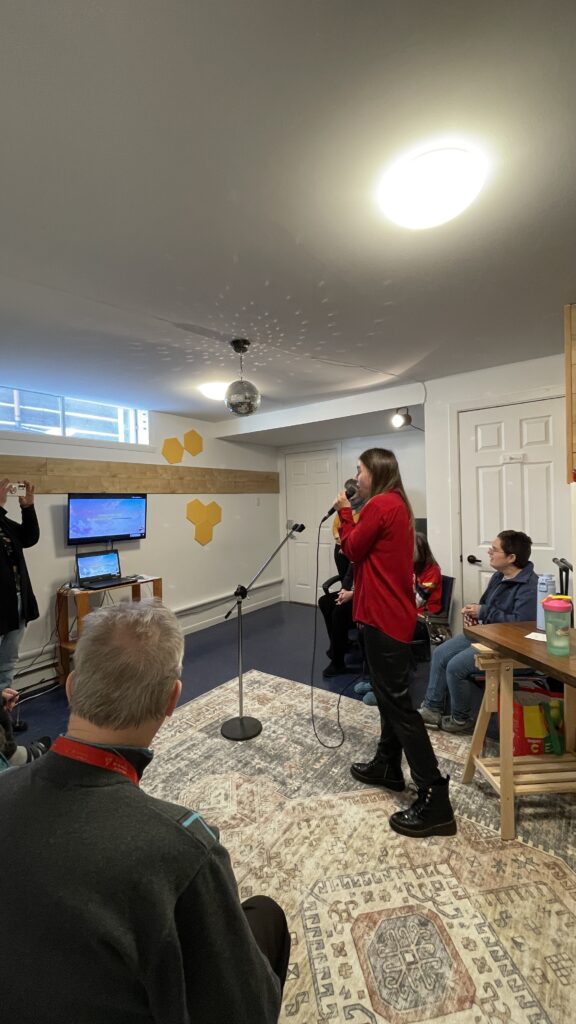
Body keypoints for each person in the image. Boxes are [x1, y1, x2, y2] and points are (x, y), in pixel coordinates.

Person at [0, 599, 290, 1024]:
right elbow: (248, 1011)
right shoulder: (184, 850)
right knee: (266, 914)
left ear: (71, 686)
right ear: (172, 699)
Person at [334, 448, 456, 839]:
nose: (356, 476)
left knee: (400, 707)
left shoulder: (380, 504)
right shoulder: (396, 504)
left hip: (384, 620)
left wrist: (345, 512)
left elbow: (352, 549)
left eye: (360, 470)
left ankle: (435, 798)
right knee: (389, 699)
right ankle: (387, 764)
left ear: (375, 471)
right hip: (384, 616)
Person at [418, 530, 538, 733]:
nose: (489, 552)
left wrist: (483, 612)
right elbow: (487, 606)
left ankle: (461, 719)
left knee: (456, 666)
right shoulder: (499, 576)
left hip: (509, 646)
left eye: (495, 549)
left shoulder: (530, 587)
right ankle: (432, 708)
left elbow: (520, 626)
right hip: (487, 634)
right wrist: (476, 613)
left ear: (511, 557)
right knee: (440, 653)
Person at [0, 477, 50, 763]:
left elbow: (29, 538)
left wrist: (28, 507)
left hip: (16, 605)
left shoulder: (4, 524)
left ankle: (4, 727)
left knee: (7, 665)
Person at [318, 561, 356, 677]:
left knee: (339, 612)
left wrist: (352, 594)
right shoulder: (355, 556)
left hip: (365, 596)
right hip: (351, 593)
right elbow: (349, 575)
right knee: (324, 602)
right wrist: (343, 590)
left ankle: (337, 663)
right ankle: (338, 645)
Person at [332, 478, 365, 580]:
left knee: (354, 579)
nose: (351, 500)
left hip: (353, 548)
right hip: (340, 548)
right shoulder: (344, 508)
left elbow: (358, 531)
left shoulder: (364, 511)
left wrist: (347, 546)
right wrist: (342, 543)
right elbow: (335, 527)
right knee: (344, 579)